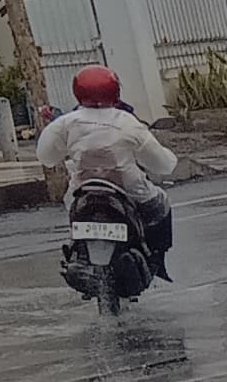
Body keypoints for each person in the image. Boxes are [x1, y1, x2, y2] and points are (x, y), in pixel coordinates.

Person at [40, 63, 183, 278]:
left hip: (81, 189)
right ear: (115, 91)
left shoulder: (64, 123)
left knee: (72, 207)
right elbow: (161, 164)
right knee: (160, 203)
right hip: (128, 187)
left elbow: (46, 157)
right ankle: (156, 259)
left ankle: (77, 251)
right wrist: (170, 159)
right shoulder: (128, 122)